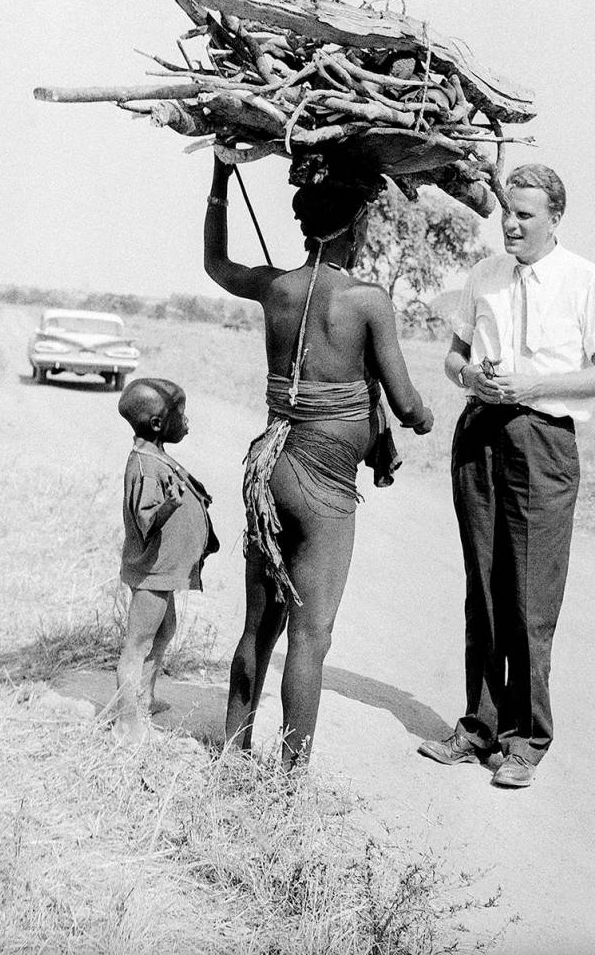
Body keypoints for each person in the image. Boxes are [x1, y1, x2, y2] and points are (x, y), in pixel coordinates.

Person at [204, 155, 434, 768]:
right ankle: (290, 782)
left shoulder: (276, 287)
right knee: (311, 636)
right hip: (325, 482)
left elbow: (216, 265)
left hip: (270, 467)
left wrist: (222, 179)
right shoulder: (368, 300)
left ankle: (231, 752)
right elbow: (407, 401)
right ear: (355, 226)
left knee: (260, 626)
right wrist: (422, 418)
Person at [418, 163, 595, 787]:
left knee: (530, 596)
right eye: (507, 210)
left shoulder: (587, 280)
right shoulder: (483, 275)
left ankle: (527, 739)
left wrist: (534, 385)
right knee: (481, 585)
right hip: (481, 432)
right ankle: (478, 728)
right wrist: (469, 377)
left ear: (554, 218)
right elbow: (454, 357)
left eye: (525, 214)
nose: (509, 222)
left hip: (542, 442)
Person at [112, 377, 219, 746]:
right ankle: (127, 723)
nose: (186, 421)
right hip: (150, 572)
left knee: (164, 630)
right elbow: (144, 522)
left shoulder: (156, 455)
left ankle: (144, 698)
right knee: (138, 644)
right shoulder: (143, 466)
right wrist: (169, 506)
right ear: (157, 424)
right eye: (180, 414)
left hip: (164, 572)